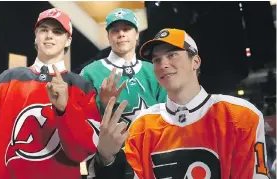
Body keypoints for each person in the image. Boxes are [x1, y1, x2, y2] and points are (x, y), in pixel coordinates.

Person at [0, 8, 102, 179]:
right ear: (36, 36)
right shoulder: (9, 78)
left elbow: (86, 149)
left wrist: (65, 109)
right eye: (44, 30)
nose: (49, 36)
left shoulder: (81, 86)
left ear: (68, 40)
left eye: (57, 32)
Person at [94, 28, 271, 179]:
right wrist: (107, 158)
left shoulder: (240, 115)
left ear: (196, 61)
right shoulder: (142, 125)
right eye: (156, 60)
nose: (163, 64)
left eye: (172, 55)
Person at [80, 8, 167, 128]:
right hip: (111, 146)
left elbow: (169, 114)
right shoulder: (90, 73)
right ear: (108, 37)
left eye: (126, 29)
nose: (121, 34)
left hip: (155, 144)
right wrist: (103, 104)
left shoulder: (154, 70)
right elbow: (81, 122)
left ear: (137, 34)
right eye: (115, 30)